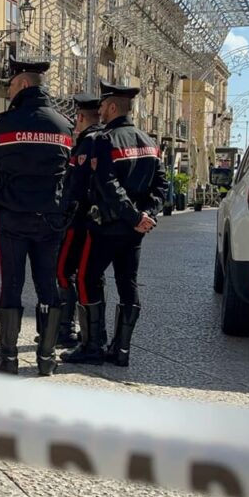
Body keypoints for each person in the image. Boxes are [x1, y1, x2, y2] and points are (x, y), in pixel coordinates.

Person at [61, 82, 169, 367]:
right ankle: (121, 350)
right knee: (127, 284)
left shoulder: (104, 140)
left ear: (111, 107)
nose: (99, 111)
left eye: (102, 106)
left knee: (87, 279)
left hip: (105, 228)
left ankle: (92, 346)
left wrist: (133, 216)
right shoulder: (149, 141)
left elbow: (107, 184)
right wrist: (146, 215)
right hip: (134, 232)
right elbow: (162, 185)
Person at [0, 58, 73, 377]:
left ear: (22, 83)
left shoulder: (5, 122)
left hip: (12, 215)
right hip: (50, 216)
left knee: (12, 283)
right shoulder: (63, 124)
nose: (8, 91)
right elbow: (69, 170)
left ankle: (8, 358)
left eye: (10, 85)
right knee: (48, 283)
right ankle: (46, 358)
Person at [43, 94, 104, 349]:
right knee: (87, 274)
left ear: (80, 117)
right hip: (92, 219)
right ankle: (87, 332)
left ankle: (65, 329)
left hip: (78, 219)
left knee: (63, 271)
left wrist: (62, 212)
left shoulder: (89, 142)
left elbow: (76, 185)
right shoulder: (102, 139)